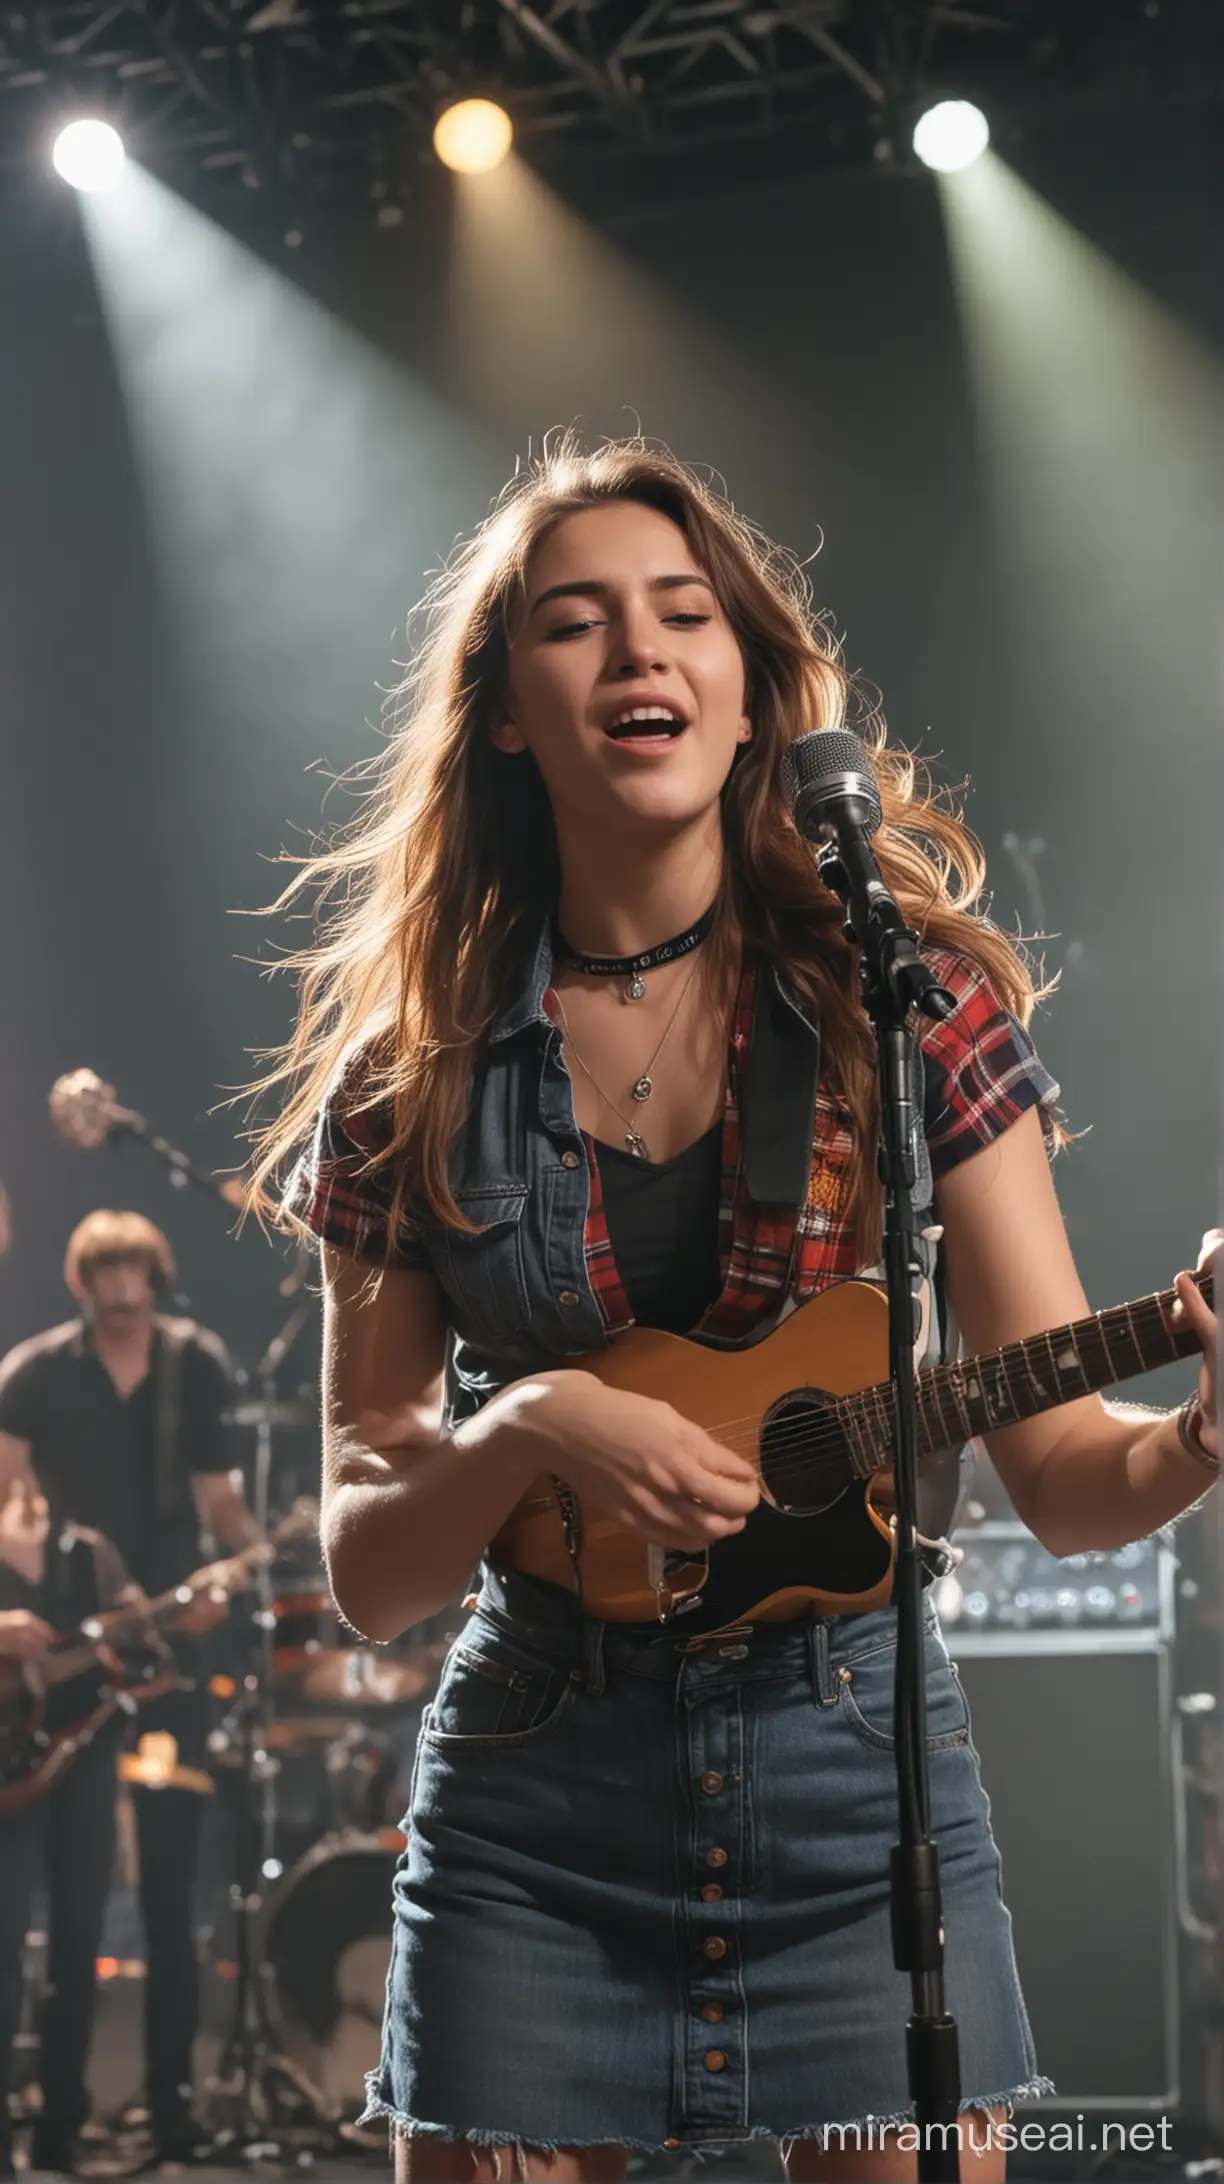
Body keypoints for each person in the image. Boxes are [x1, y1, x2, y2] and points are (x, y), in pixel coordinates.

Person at [248, 439, 1220, 2183]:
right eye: (577, 622)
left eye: (683, 612)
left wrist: (1200, 1430)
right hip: (532, 1800)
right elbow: (372, 1562)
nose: (640, 650)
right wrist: (530, 1420)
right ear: (503, 714)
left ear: (747, 684)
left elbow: (1066, 1473)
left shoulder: (902, 1009)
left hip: (858, 1777)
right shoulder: (406, 1087)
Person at [0, 1210, 257, 2170]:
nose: (119, 1280)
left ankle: (174, 2111)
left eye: (134, 1264)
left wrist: (243, 1571)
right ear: (80, 1277)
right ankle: (56, 2121)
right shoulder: (35, 1371)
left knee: (173, 1899)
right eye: (101, 1264)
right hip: (62, 1669)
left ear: (156, 1273)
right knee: (64, 1905)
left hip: (171, 1665)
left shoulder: (197, 1365)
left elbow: (221, 1503)